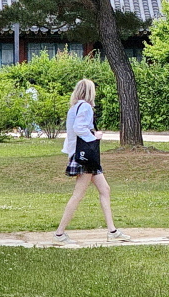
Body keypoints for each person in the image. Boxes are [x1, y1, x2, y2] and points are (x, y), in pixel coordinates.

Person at [54, 78, 130, 245]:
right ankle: (59, 233)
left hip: (79, 154)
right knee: (78, 194)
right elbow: (79, 128)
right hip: (86, 157)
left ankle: (112, 230)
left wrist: (71, 153)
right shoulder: (86, 107)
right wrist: (94, 137)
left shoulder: (73, 108)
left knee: (105, 189)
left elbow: (71, 132)